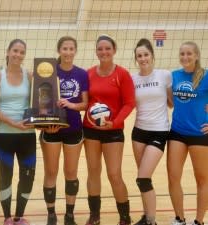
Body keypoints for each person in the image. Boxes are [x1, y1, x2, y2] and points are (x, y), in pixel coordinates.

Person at [83, 35, 135, 225]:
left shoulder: (122, 74)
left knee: (114, 174)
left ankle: (124, 217)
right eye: (100, 49)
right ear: (96, 51)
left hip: (113, 131)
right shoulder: (88, 74)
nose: (103, 52)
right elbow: (84, 102)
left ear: (114, 50)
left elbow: (130, 103)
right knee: (93, 172)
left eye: (107, 48)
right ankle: (95, 215)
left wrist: (114, 122)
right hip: (90, 130)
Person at [40, 36, 88, 225]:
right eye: (64, 49)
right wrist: (45, 124)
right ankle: (51, 214)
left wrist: (70, 104)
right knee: (51, 172)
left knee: (71, 172)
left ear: (75, 51)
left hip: (74, 128)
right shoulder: (49, 71)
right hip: (52, 128)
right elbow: (41, 101)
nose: (68, 52)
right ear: (59, 50)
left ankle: (69, 215)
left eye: (71, 49)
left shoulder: (82, 74)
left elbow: (85, 104)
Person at [0, 39, 36, 225]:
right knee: (6, 175)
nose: (18, 55)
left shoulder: (31, 75)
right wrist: (14, 123)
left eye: (22, 52)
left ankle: (19, 216)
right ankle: (7, 217)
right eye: (15, 50)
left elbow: (39, 103)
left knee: (28, 175)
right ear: (8, 52)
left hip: (27, 135)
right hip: (2, 134)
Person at [131, 38, 172, 225]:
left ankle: (151, 220)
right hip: (139, 131)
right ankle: (147, 216)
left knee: (143, 177)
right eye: (139, 56)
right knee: (142, 178)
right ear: (136, 59)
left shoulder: (164, 75)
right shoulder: (133, 79)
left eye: (146, 54)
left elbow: (174, 102)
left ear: (152, 56)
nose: (143, 58)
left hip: (159, 132)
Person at [167, 41, 208, 225]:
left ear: (197, 55)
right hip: (177, 132)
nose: (185, 57)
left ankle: (199, 221)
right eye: (182, 53)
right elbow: (170, 101)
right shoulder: (174, 75)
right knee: (173, 176)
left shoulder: (206, 76)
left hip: (199, 133)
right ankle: (179, 218)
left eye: (189, 53)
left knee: (202, 179)